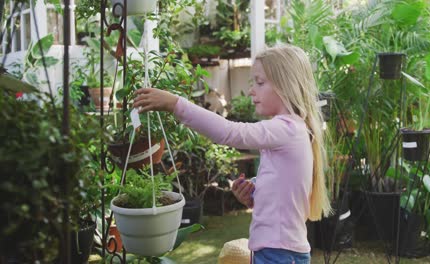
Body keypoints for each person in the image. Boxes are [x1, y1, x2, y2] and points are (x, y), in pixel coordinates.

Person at [134, 44, 332, 263]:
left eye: (260, 82)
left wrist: (175, 104)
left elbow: (230, 133)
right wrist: (254, 194)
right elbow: (284, 192)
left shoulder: (287, 129)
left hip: (280, 255)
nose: (251, 91)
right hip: (275, 252)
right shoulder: (288, 131)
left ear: (285, 85)